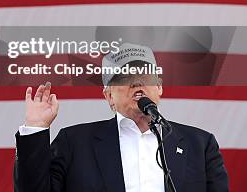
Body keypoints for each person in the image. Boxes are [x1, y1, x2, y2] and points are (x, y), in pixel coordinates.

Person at [13, 43, 229, 192]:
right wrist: (36, 128)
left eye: (145, 75)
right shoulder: (74, 142)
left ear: (159, 87)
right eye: (125, 77)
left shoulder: (200, 144)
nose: (137, 83)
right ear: (109, 97)